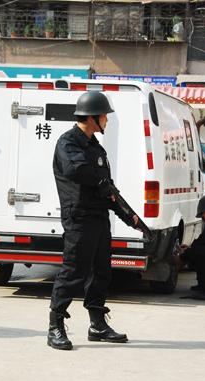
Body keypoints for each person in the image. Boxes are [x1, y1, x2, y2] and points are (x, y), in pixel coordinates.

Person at [48, 91, 139, 351]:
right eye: (104, 116)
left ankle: (97, 325)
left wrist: (127, 214)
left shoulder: (96, 147)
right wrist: (102, 183)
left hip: (99, 218)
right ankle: (55, 326)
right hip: (79, 218)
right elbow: (75, 170)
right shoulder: (68, 143)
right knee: (73, 272)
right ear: (92, 118)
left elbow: (107, 188)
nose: (107, 120)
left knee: (101, 272)